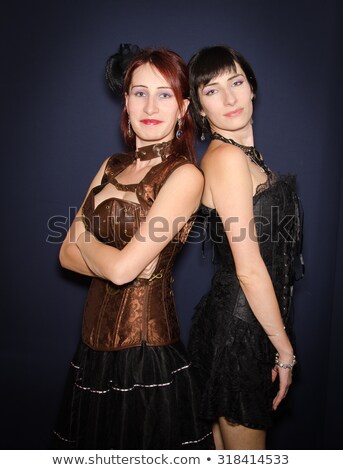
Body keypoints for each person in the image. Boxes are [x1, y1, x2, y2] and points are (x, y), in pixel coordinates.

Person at [52, 45, 213, 450]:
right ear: (125, 102)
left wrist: (86, 238)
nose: (150, 105)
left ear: (183, 108)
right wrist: (110, 257)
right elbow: (65, 255)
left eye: (165, 94)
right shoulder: (110, 165)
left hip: (147, 351)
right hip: (90, 347)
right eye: (140, 93)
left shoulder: (185, 177)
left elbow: (120, 270)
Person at [187, 45, 302, 450]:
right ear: (199, 108)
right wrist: (284, 350)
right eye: (212, 90)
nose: (230, 98)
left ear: (252, 87)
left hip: (242, 322)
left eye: (236, 82)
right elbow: (250, 267)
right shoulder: (228, 160)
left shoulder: (245, 156)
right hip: (241, 329)